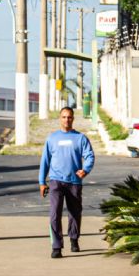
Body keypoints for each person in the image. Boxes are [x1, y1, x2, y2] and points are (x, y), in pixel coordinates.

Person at [38, 107, 95, 259]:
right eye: (64, 117)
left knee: (75, 213)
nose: (66, 120)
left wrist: (85, 169)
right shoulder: (52, 138)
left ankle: (74, 239)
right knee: (54, 214)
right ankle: (56, 246)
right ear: (60, 118)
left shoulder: (80, 138)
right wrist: (42, 182)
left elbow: (89, 155)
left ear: (73, 119)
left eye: (69, 117)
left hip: (74, 181)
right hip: (56, 181)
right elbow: (45, 160)